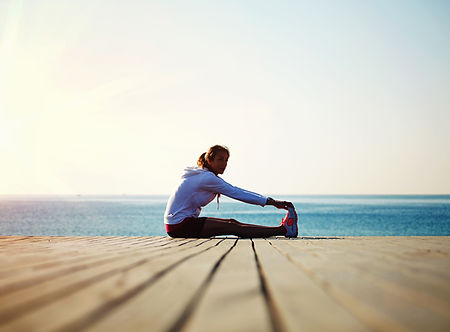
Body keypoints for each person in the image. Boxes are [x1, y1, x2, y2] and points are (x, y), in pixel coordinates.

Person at [164, 145, 298, 238]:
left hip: (178, 225)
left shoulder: (202, 175)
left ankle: (282, 229)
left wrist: (269, 201)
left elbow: (236, 191)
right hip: (180, 225)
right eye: (220, 159)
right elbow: (236, 192)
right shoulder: (206, 177)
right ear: (209, 160)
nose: (224, 164)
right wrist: (271, 202)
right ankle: (283, 230)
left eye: (226, 160)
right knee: (232, 226)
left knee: (232, 224)